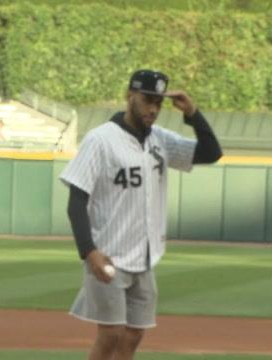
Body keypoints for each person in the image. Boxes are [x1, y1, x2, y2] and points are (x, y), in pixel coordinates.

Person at [59, 69, 222, 360]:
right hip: (109, 254)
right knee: (110, 334)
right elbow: (76, 200)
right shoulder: (101, 140)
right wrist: (89, 251)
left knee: (134, 335)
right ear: (129, 96)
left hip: (145, 257)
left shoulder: (160, 139)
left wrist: (193, 113)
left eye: (158, 103)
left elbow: (211, 153)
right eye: (147, 100)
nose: (153, 108)